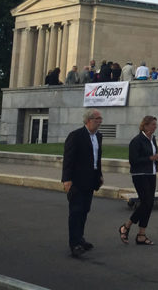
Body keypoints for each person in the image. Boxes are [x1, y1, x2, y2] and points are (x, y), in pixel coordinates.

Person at [61, 109, 103, 257]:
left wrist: (100, 175)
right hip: (77, 181)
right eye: (98, 118)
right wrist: (67, 179)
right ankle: (74, 244)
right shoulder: (76, 136)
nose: (100, 121)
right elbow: (68, 159)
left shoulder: (98, 136)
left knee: (85, 210)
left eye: (100, 119)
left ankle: (80, 238)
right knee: (76, 212)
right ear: (89, 120)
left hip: (91, 180)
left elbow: (97, 158)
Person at [119, 116, 158, 246]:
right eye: (153, 124)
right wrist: (150, 158)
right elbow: (133, 160)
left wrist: (157, 160)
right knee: (146, 202)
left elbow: (152, 156)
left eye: (156, 125)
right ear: (145, 125)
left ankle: (141, 235)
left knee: (149, 204)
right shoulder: (137, 141)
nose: (155, 127)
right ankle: (126, 226)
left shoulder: (153, 139)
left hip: (151, 173)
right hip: (139, 174)